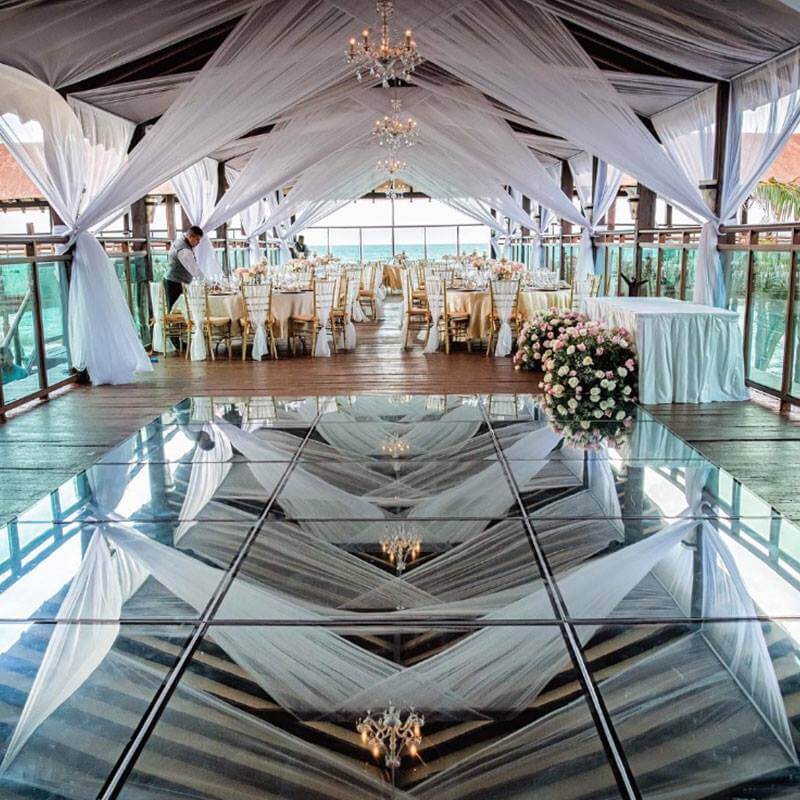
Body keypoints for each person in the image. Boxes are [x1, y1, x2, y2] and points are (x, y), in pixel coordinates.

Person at [165, 226, 205, 309]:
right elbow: (194, 270)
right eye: (197, 239)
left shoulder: (181, 241)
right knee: (176, 310)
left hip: (175, 282)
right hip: (175, 283)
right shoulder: (183, 250)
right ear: (190, 237)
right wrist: (209, 283)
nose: (198, 242)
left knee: (179, 309)